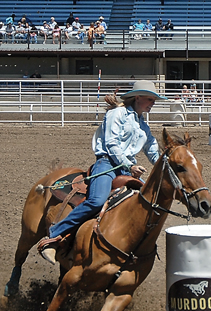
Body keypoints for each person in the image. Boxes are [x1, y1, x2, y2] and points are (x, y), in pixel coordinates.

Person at [37, 80, 167, 264]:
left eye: (154, 99)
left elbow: (152, 149)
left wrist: (166, 162)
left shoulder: (142, 124)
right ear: (137, 97)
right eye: (150, 99)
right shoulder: (117, 113)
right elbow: (111, 143)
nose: (153, 103)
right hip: (107, 164)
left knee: (148, 204)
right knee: (97, 200)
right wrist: (129, 166)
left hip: (126, 169)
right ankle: (54, 234)